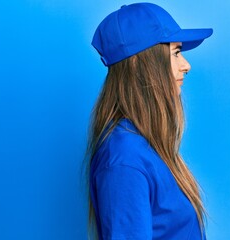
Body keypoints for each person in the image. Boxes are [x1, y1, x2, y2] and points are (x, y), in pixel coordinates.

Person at [85, 2, 213, 240]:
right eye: (175, 53)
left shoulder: (143, 146)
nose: (186, 65)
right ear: (141, 63)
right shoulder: (124, 160)